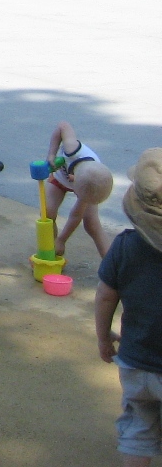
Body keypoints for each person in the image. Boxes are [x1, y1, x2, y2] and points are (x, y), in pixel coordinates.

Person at [97, 148, 162, 467]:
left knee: (138, 425)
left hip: (136, 362)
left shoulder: (123, 246)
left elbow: (106, 296)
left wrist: (103, 337)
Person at [46, 120, 115, 259]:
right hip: (59, 178)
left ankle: (113, 268)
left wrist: (63, 239)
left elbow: (75, 216)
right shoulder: (72, 149)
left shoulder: (94, 180)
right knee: (48, 212)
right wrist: (51, 155)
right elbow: (62, 125)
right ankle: (50, 249)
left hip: (89, 184)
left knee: (91, 224)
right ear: (72, 179)